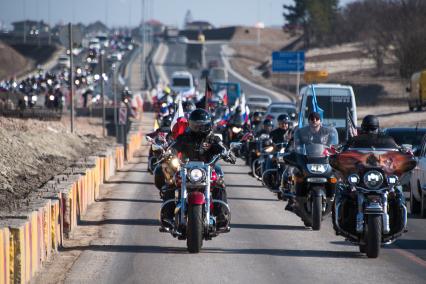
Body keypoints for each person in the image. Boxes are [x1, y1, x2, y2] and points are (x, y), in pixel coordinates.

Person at [168, 108, 234, 227]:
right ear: (190, 125)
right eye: (196, 125)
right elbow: (174, 147)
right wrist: (167, 153)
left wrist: (228, 153)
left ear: (208, 125)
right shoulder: (185, 137)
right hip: (186, 169)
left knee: (219, 182)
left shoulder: (213, 139)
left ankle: (221, 215)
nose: (199, 129)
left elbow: (222, 147)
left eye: (202, 126)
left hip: (208, 168)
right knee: (170, 182)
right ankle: (167, 216)